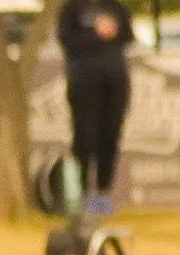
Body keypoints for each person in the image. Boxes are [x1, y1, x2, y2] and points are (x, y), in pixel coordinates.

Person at [57, 0, 135, 215]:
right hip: (84, 80)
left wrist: (113, 32)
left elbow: (129, 36)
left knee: (109, 137)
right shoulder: (72, 8)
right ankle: (79, 195)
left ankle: (102, 196)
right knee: (84, 137)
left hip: (115, 79)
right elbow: (66, 41)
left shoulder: (116, 7)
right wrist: (95, 34)